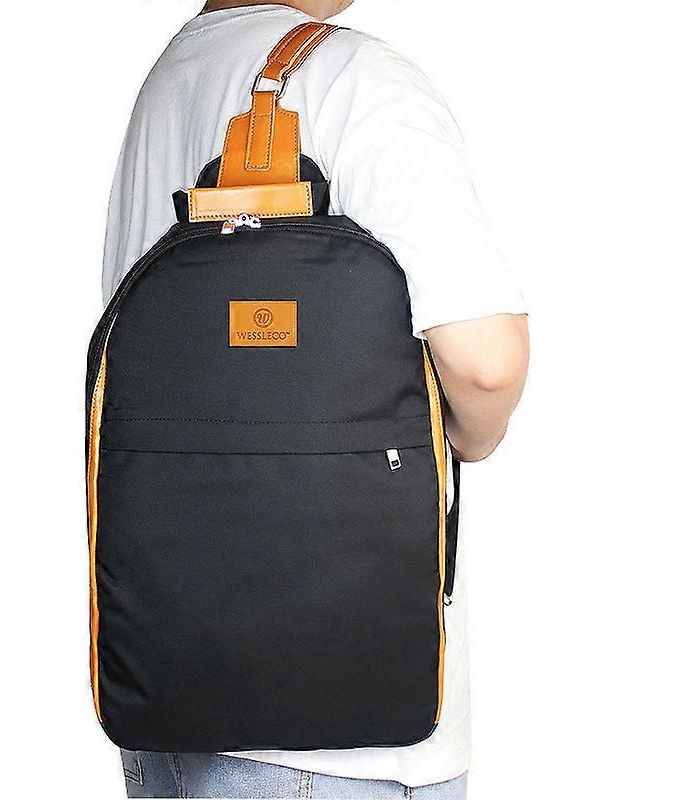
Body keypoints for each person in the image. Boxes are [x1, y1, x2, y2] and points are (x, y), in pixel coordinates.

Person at [102, 1, 529, 797]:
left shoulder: (172, 78)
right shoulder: (353, 79)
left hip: (173, 705)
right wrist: (475, 437)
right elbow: (487, 363)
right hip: (338, 752)